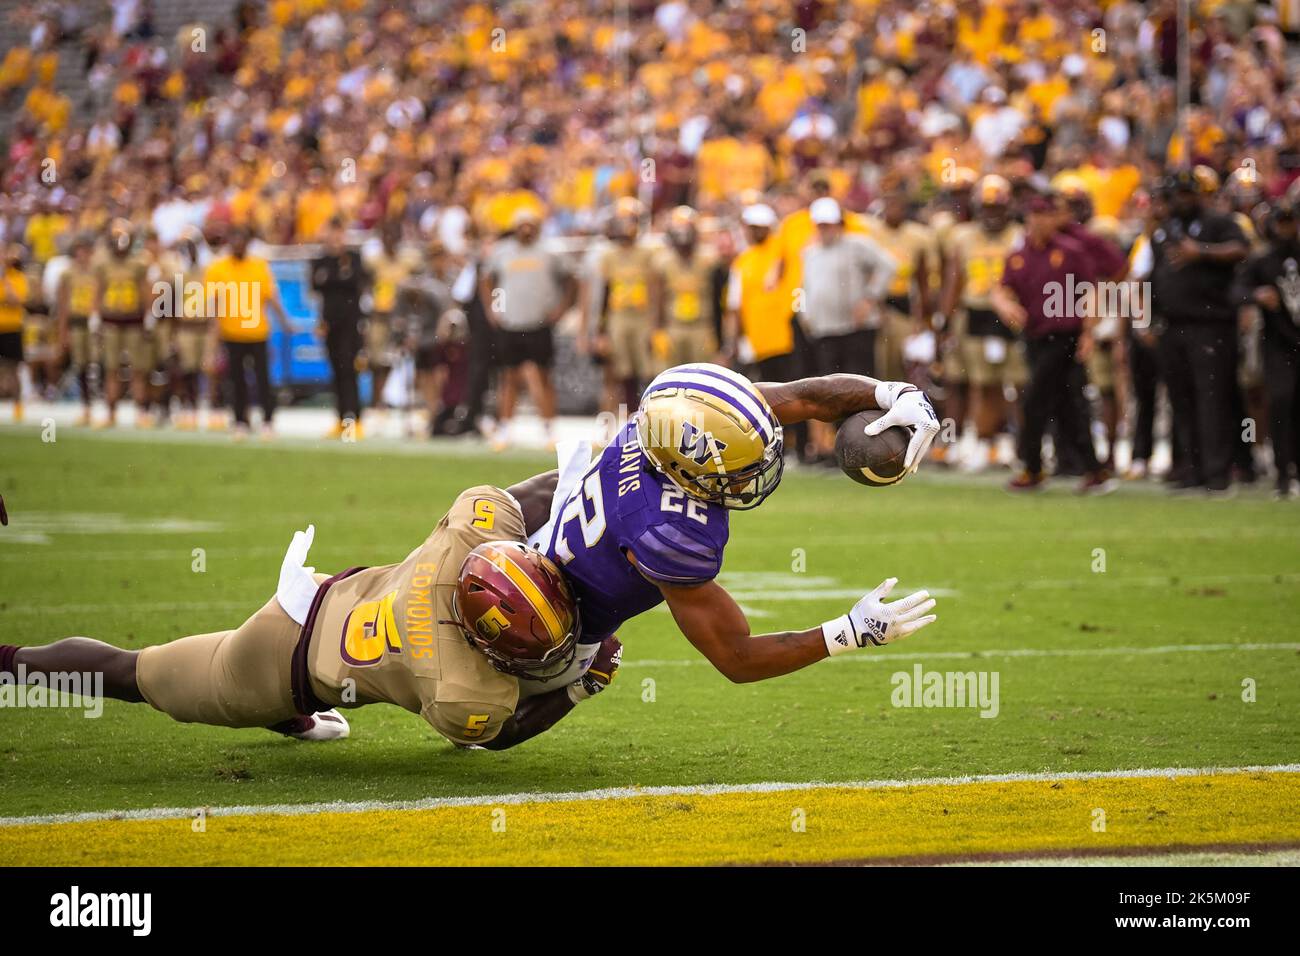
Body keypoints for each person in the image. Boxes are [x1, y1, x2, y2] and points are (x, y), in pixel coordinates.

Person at [0, 488, 621, 751]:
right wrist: (580, 683)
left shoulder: (463, 546)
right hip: (269, 667)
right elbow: (495, 735)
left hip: (317, 598)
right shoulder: (461, 691)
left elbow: (525, 495)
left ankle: (289, 714)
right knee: (134, 675)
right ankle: (7, 662)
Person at [510, 364, 941, 687]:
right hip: (546, 634)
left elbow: (804, 397)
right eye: (739, 468)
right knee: (477, 720)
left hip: (536, 539)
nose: (755, 470)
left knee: (494, 504)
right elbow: (738, 657)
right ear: (686, 471)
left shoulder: (669, 421)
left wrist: (891, 393)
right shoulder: (669, 535)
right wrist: (850, 632)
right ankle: (571, 691)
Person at [992, 193, 1115, 494]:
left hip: (1065, 337)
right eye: (1035, 215)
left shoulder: (1071, 251)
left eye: (1045, 215)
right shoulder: (1019, 256)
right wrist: (1004, 305)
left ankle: (1032, 467)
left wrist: (1088, 334)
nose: (1039, 221)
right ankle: (1093, 469)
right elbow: (1002, 288)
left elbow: (1090, 292)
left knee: (1034, 400)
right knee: (1069, 404)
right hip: (1034, 337)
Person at [1149, 171, 1249, 495]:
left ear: (1198, 195)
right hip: (1173, 324)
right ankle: (1191, 468)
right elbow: (1154, 276)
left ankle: (1217, 472)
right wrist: (1149, 318)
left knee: (1212, 398)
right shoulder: (1165, 230)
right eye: (1175, 194)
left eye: (1185, 194)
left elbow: (1241, 249)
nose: (1180, 200)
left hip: (1210, 324)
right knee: (1181, 398)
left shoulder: (1219, 223)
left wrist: (1202, 251)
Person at [796, 197, 896, 460]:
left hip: (856, 328)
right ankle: (838, 447)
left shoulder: (857, 244)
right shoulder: (811, 252)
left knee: (862, 388)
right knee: (832, 392)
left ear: (839, 224)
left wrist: (870, 298)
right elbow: (806, 287)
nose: (825, 229)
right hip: (825, 330)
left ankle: (868, 444)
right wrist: (806, 313)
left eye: (829, 224)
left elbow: (888, 265)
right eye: (820, 225)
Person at [941, 175, 1025, 472]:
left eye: (997, 208)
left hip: (1013, 315)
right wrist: (945, 320)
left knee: (1018, 384)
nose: (992, 214)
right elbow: (955, 280)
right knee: (981, 384)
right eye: (987, 208)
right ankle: (983, 442)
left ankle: (1020, 443)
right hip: (975, 314)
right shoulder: (963, 236)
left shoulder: (1020, 235)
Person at [479, 208, 575, 449]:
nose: (526, 228)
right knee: (509, 377)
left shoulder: (549, 251)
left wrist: (561, 308)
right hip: (511, 322)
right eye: (522, 224)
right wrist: (491, 308)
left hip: (538, 323)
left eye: (530, 224)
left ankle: (549, 428)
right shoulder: (502, 251)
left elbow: (572, 279)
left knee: (542, 375)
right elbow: (485, 278)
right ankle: (505, 429)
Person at [1234, 198, 1300, 499]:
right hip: (1279, 344)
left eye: (1291, 221)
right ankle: (1283, 472)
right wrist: (1256, 295)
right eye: (1281, 222)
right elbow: (1237, 290)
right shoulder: (1264, 260)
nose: (1286, 228)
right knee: (1281, 401)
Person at [204, 227, 288, 440]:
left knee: (263, 380)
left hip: (258, 332)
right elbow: (212, 306)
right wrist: (213, 339)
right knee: (236, 380)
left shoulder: (259, 266)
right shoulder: (218, 268)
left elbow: (272, 297)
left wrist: (284, 322)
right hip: (231, 333)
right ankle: (241, 420)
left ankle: (268, 420)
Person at [311, 219, 369, 439]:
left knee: (349, 372)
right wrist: (338, 278)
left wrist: (333, 279)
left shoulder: (352, 258)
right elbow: (317, 284)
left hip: (350, 325)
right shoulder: (321, 260)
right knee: (335, 373)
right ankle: (341, 419)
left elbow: (353, 281)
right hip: (329, 325)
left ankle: (355, 419)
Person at [94, 220, 153, 428]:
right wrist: (95, 317)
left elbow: (145, 291)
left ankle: (140, 412)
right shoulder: (103, 263)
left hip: (134, 320)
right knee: (111, 368)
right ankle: (111, 412)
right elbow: (99, 290)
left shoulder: (139, 262)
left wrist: (149, 316)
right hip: (111, 320)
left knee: (138, 369)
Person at [654, 206, 719, 369]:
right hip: (674, 326)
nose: (683, 234)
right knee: (672, 377)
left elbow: (718, 297)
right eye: (678, 229)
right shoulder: (662, 261)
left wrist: (718, 332)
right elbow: (657, 298)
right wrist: (657, 330)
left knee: (703, 376)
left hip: (702, 326)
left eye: (686, 228)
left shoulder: (709, 258)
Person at [54, 234, 99, 426]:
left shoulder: (98, 272)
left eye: (86, 251)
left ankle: (100, 402)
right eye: (79, 251)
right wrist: (62, 332)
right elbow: (63, 305)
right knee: (81, 364)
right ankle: (87, 406)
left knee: (97, 363)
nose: (83, 255)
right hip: (77, 322)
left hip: (95, 322)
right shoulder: (67, 274)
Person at [0, 244, 27, 423]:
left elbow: (16, 300)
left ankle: (17, 406)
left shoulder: (17, 278)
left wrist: (5, 280)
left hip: (11, 328)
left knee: (12, 368)